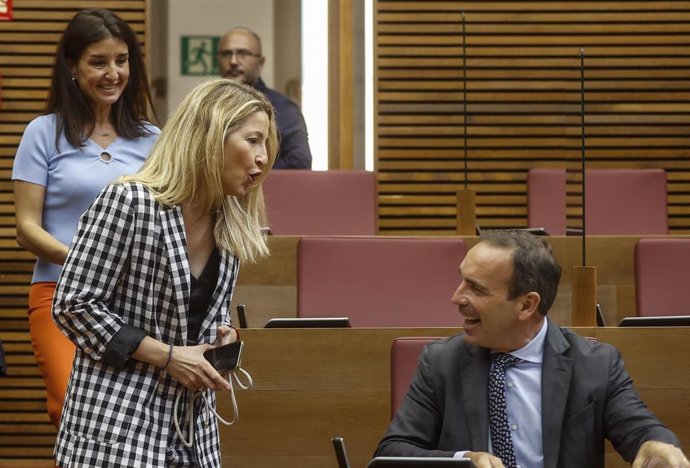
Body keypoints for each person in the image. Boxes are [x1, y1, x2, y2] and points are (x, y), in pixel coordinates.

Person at [51, 77, 277, 467]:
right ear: (210, 136)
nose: (263, 157)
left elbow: (195, 312)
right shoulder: (130, 200)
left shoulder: (231, 220)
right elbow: (73, 305)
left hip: (191, 430)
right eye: (253, 140)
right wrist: (168, 356)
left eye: (267, 143)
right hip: (116, 425)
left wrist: (222, 334)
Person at [375, 230, 689, 468]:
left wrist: (656, 444)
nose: (456, 298)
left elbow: (639, 427)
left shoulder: (595, 365)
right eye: (461, 281)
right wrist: (464, 460)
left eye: (476, 288)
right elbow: (392, 452)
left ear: (527, 304)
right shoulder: (441, 362)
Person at [11, 8, 159, 429]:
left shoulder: (154, 140)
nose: (113, 73)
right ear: (73, 67)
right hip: (59, 295)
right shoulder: (43, 132)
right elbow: (26, 228)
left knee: (129, 425)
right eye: (98, 62)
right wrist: (87, 263)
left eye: (122, 60)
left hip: (133, 302)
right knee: (75, 415)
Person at [218, 26, 312, 169]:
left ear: (260, 62)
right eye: (226, 54)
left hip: (268, 189)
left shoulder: (283, 108)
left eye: (243, 54)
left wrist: (251, 174)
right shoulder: (204, 107)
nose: (233, 61)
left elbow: (299, 162)